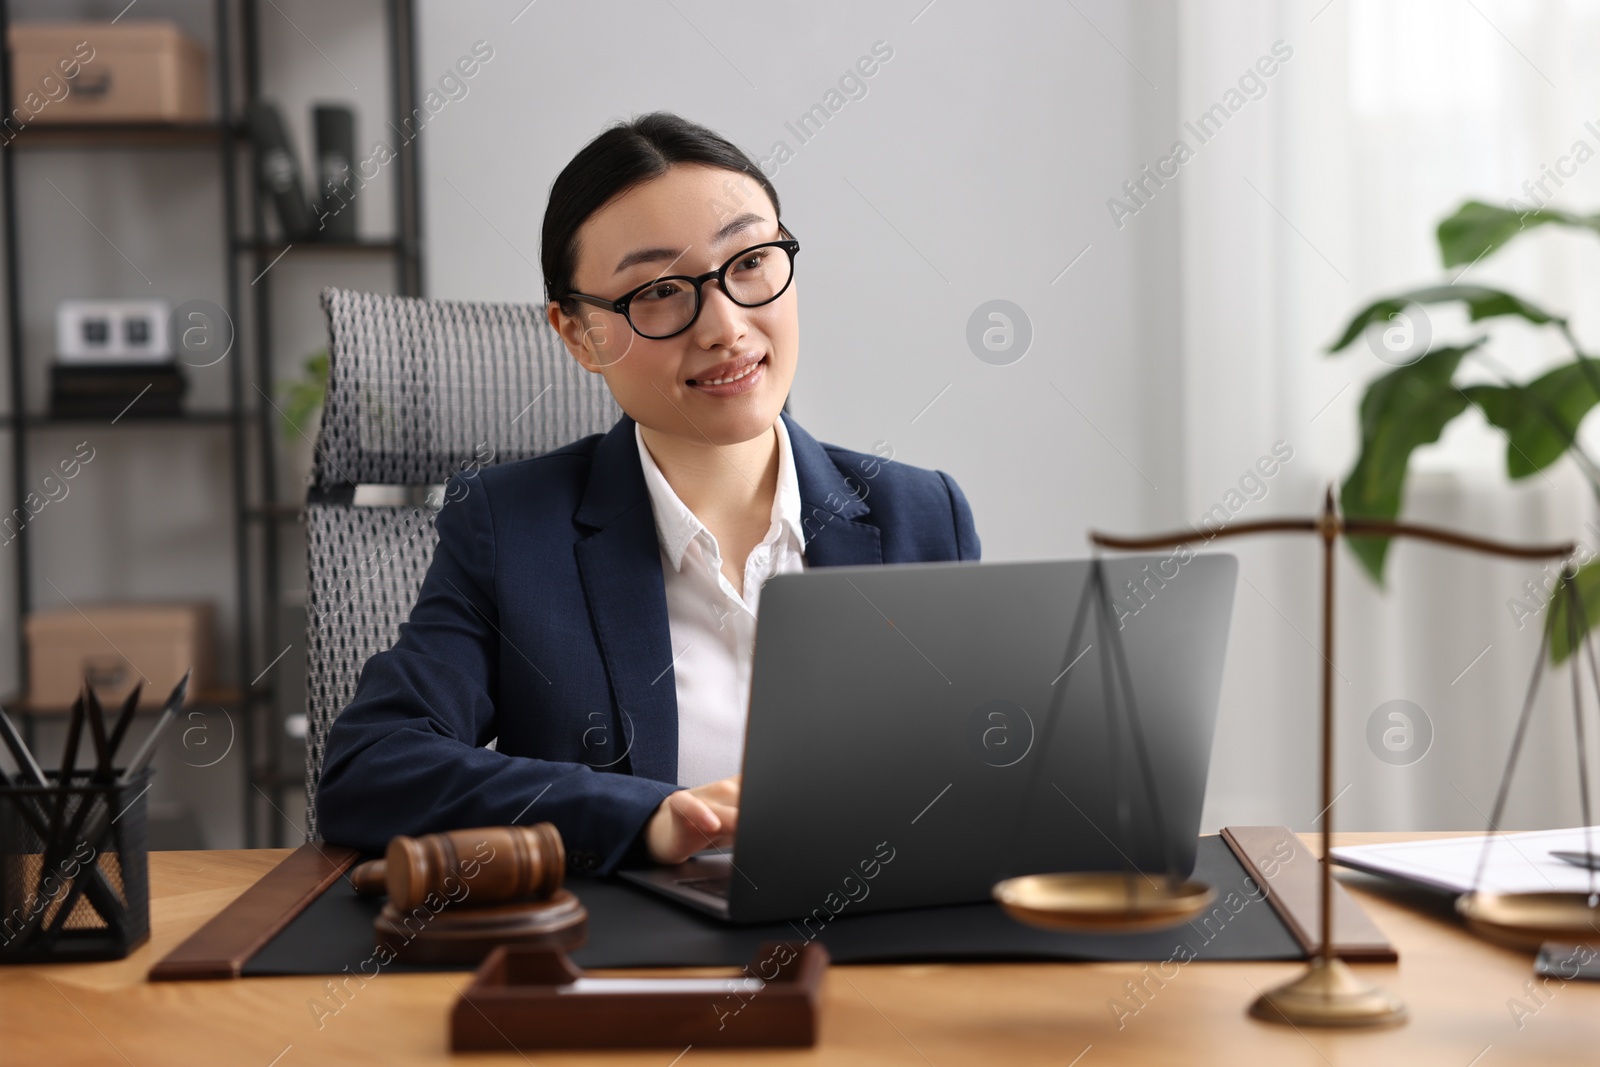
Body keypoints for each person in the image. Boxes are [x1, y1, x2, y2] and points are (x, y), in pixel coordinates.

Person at [316, 112, 980, 875]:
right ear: (578, 335)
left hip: (875, 966)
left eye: (751, 261)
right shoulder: (511, 531)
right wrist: (643, 816)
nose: (726, 326)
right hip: (628, 972)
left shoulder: (922, 516)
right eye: (661, 290)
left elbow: (982, 784)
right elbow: (370, 769)